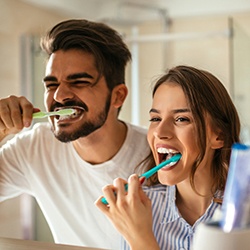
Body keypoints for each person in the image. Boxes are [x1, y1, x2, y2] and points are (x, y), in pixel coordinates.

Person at [0, 19, 151, 249]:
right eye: (51, 85)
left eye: (79, 81)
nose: (59, 96)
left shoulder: (158, 157)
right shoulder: (35, 147)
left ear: (118, 96)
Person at [95, 65, 241, 250]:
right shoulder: (137, 210)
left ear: (218, 136)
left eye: (181, 119)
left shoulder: (242, 213)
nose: (160, 133)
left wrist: (141, 239)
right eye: (155, 119)